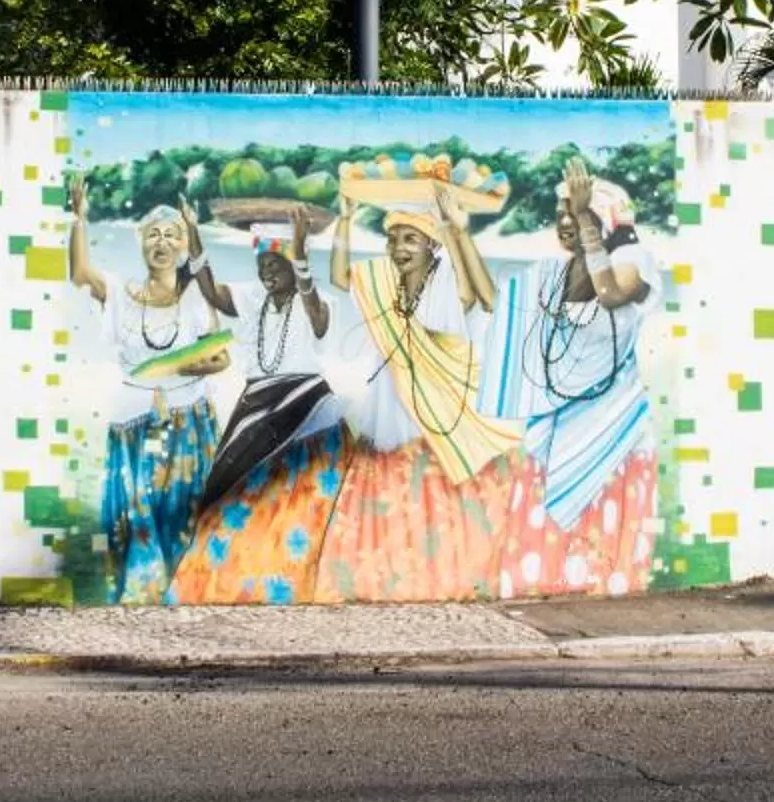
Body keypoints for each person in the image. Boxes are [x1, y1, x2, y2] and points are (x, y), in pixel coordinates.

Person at [308, 168, 527, 599]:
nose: (398, 247)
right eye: (393, 239)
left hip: (438, 418)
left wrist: (458, 232)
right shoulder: (382, 281)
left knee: (432, 510)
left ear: (431, 245)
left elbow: (486, 297)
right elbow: (339, 278)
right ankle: (379, 583)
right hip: (388, 410)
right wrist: (347, 220)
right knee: (383, 504)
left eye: (410, 239)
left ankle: (430, 585)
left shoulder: (448, 282)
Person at [493, 159, 660, 597]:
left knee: (600, 553)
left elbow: (611, 294)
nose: (566, 221)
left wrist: (588, 227)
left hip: (609, 435)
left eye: (579, 211)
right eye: (563, 213)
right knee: (538, 549)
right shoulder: (558, 271)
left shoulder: (633, 259)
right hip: (553, 428)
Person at [167, 210, 348, 605]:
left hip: (307, 407)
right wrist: (193, 233)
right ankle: (226, 578)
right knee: (223, 489)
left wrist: (301, 257)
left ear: (292, 263)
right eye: (262, 264)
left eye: (274, 263)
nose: (267, 272)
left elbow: (315, 312)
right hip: (256, 404)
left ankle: (279, 581)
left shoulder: (319, 301)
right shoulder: (252, 297)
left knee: (291, 505)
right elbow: (212, 291)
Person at [68, 177, 234, 602]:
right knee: (135, 508)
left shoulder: (197, 298)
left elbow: (219, 358)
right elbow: (80, 273)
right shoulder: (122, 295)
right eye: (153, 235)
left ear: (182, 248)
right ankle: (140, 593)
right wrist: (79, 218)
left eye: (171, 235)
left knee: (182, 509)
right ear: (142, 243)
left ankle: (181, 592)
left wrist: (170, 369)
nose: (161, 243)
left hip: (188, 419)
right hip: (134, 423)